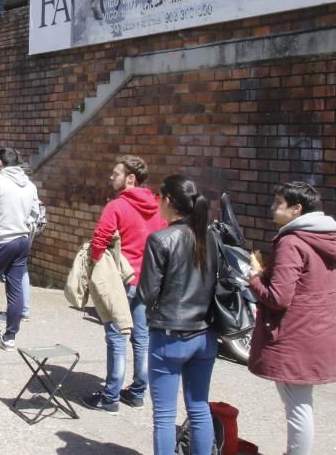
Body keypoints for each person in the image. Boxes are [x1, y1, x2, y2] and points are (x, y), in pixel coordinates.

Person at [248, 182, 336, 455]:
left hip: (297, 335)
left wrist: (254, 278)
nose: (272, 207)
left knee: (297, 407)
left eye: (278, 203)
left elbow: (278, 297)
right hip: (321, 331)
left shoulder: (292, 241)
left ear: (296, 209)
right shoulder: (330, 236)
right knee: (301, 403)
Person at [137, 175, 218, 455]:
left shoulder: (160, 239)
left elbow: (147, 292)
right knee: (199, 407)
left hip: (169, 335)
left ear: (168, 200)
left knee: (164, 416)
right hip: (205, 333)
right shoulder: (210, 236)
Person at [83, 155, 165, 413]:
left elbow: (99, 241)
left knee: (117, 337)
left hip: (120, 281)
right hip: (147, 281)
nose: (111, 177)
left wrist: (98, 265)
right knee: (141, 337)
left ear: (130, 178)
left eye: (115, 173)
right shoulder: (158, 205)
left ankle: (110, 396)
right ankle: (138, 392)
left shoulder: (117, 206)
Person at [0, 148, 40, 351]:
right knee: (15, 289)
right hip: (22, 239)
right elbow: (36, 213)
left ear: (0, 163)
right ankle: (10, 336)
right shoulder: (30, 185)